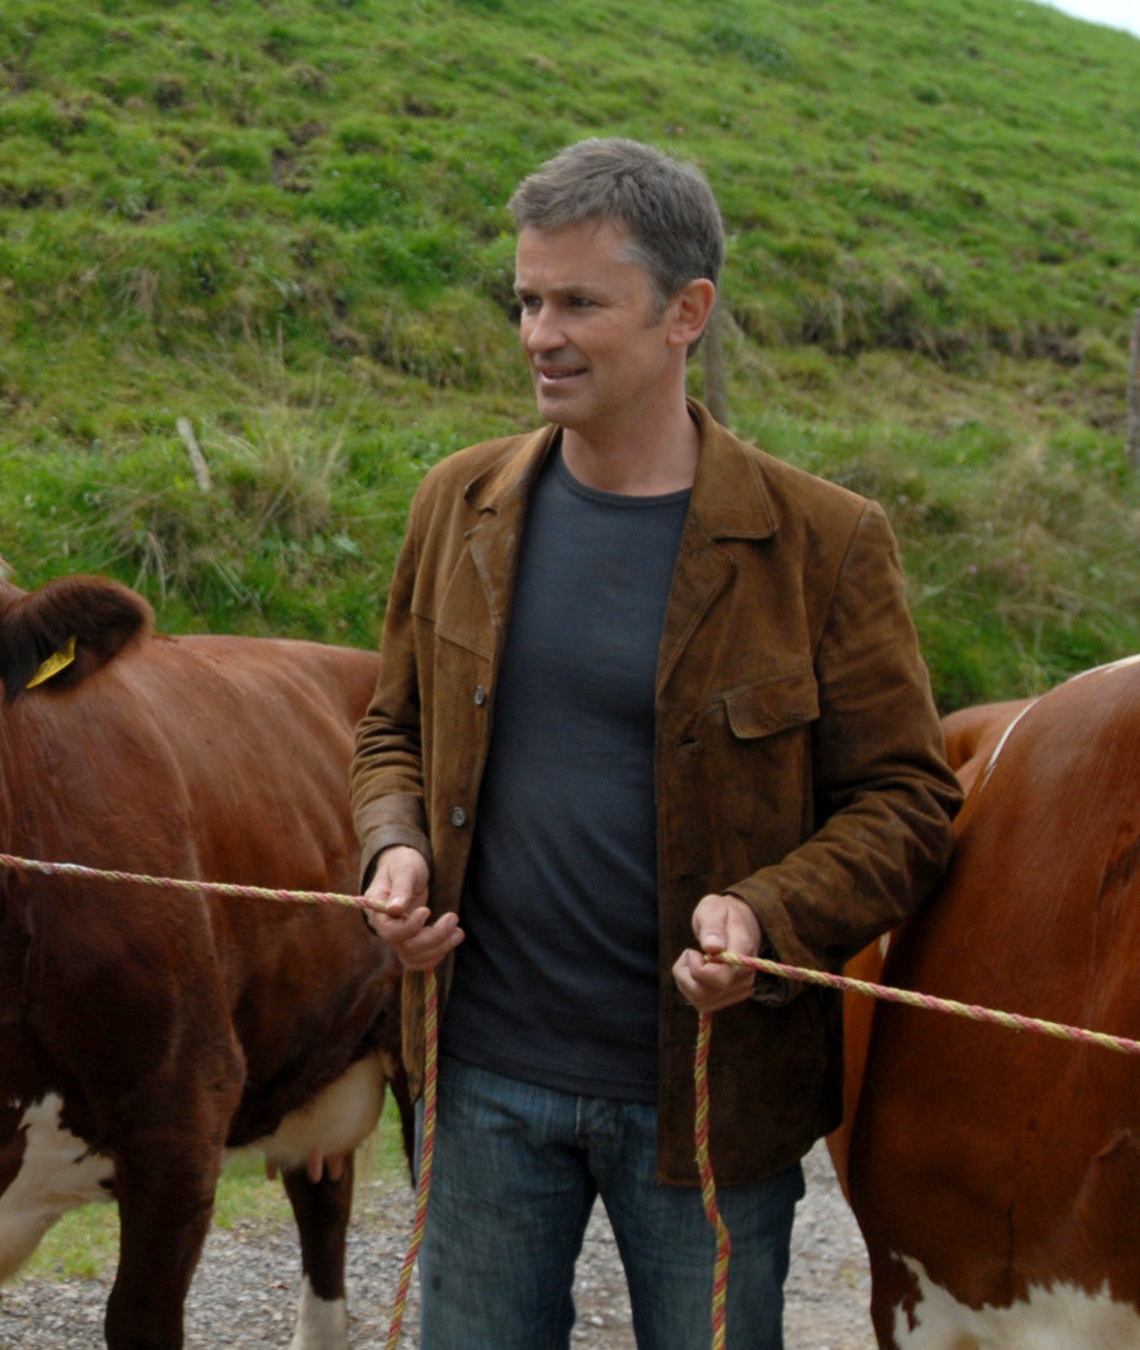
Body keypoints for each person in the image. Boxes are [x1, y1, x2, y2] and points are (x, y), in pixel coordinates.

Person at [349, 138, 961, 1349]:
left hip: (712, 1096)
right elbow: (391, 730)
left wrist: (767, 915)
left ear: (686, 312)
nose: (539, 335)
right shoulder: (455, 503)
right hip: (478, 1079)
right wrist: (392, 848)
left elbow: (904, 801)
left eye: (579, 303)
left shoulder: (821, 542)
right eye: (526, 300)